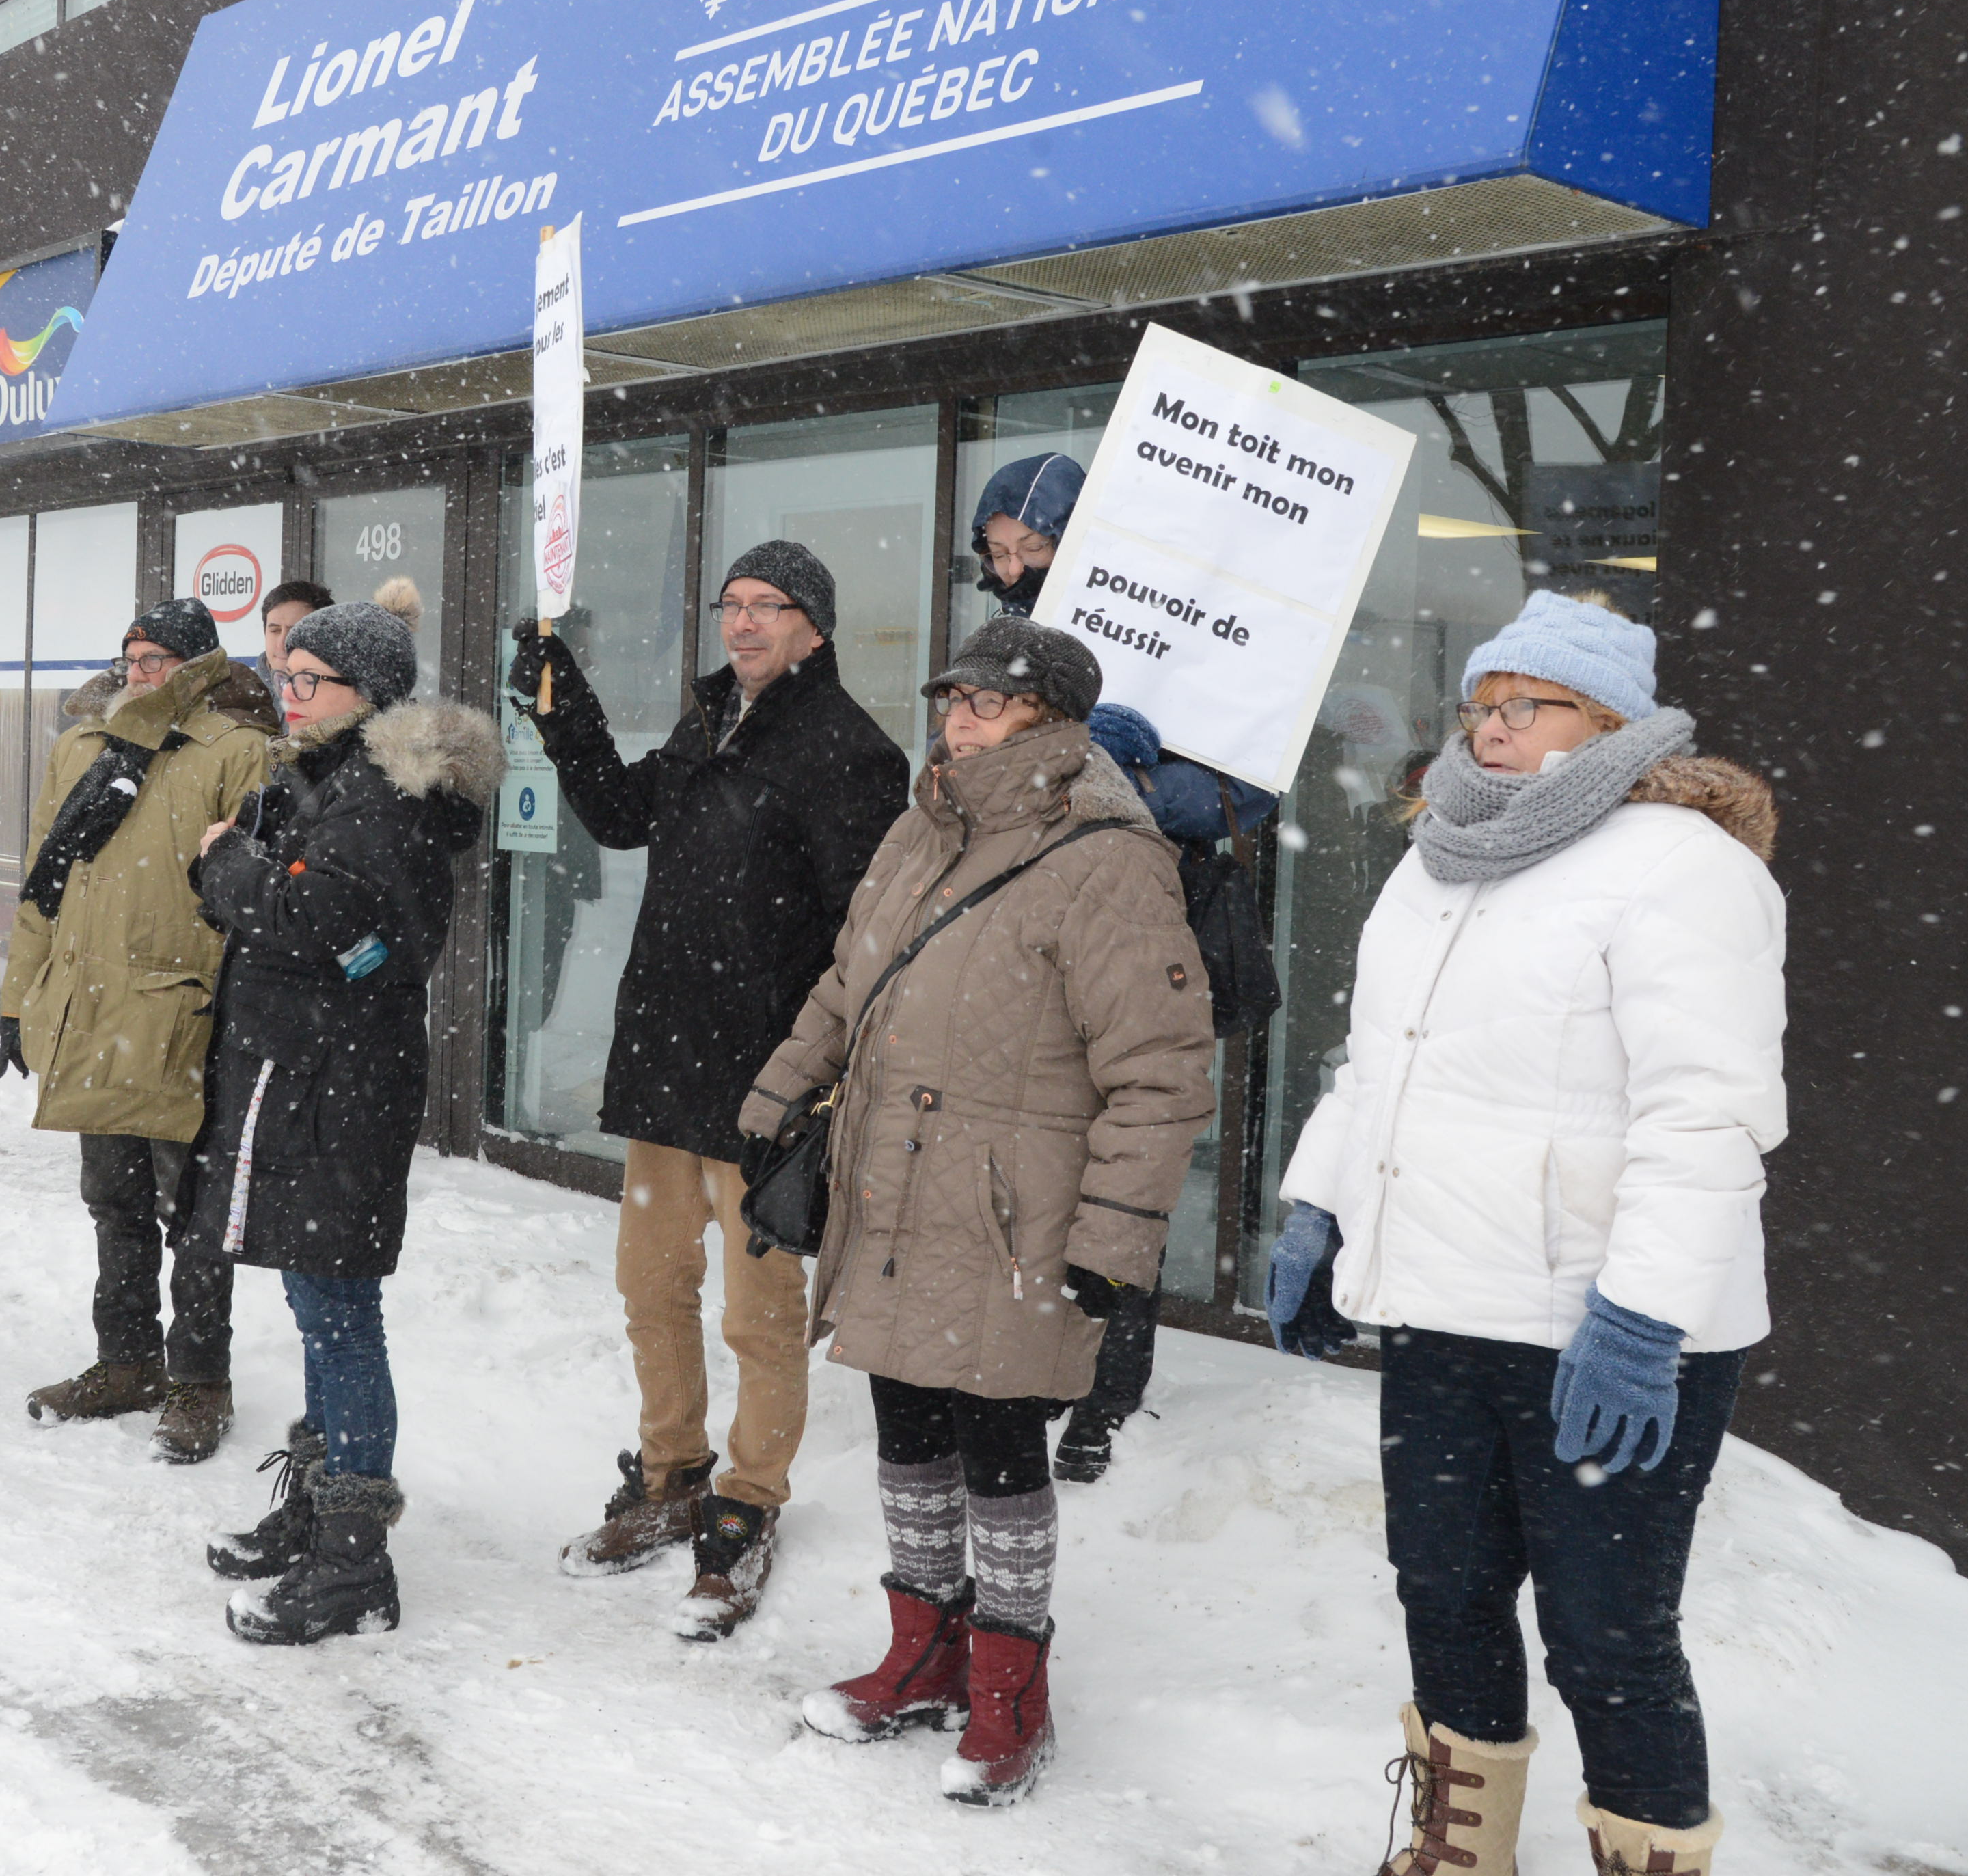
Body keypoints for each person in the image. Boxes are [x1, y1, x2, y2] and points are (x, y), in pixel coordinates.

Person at [1264, 591, 1784, 1876]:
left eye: (1523, 704)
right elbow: (1378, 1063)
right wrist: (1318, 1203)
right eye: (1478, 704)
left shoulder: (1683, 864)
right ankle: (1459, 1851)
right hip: (1444, 1306)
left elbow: (1709, 1112)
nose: (1489, 726)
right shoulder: (1439, 854)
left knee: (1608, 1633)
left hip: (1598, 1325)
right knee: (1441, 1592)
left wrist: (1641, 1316)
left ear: (1605, 721)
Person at [743, 616, 1214, 1808]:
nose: (960, 720)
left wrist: (1114, 1238)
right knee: (905, 1424)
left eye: (990, 704)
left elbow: (1159, 1069)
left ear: (1052, 719)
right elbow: (853, 977)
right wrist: (779, 1088)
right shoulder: (925, 823)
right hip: (894, 1180)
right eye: (953, 698)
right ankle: (924, 1653)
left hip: (1017, 1211)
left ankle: (1012, 1687)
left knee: (999, 1447)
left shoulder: (1109, 853)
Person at [506, 540, 906, 1640]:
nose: (743, 624)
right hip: (666, 1059)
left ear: (814, 627)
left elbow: (860, 941)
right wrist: (565, 712)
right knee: (651, 1284)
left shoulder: (850, 752)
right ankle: (671, 1473)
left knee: (758, 1314)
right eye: (731, 605)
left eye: (767, 607)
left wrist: (815, 1076)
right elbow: (624, 814)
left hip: (764, 1082)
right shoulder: (709, 719)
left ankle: (746, 1500)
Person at [185, 584, 499, 1646]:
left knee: (340, 1316)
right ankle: (320, 1513)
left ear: (365, 696)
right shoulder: (334, 783)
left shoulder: (381, 801)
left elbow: (321, 925)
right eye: (287, 672)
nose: (290, 690)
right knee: (319, 1306)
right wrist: (252, 869)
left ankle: (354, 1561)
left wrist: (232, 866)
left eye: (309, 679)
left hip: (339, 1091)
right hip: (311, 1078)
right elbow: (304, 917)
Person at [1, 599, 275, 1445]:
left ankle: (200, 1379)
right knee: (110, 1200)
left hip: (184, 1018)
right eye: (130, 656)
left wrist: (244, 1020)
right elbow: (46, 882)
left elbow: (254, 899)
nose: (137, 672)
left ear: (197, 666)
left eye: (156, 658)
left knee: (192, 1213)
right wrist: (19, 999)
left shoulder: (236, 751)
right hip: (93, 1012)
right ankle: (127, 1361)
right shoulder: (83, 748)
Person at [1052, 701, 1281, 1483]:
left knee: (1121, 1206)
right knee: (1090, 1205)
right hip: (1070, 1033)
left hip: (1126, 1033)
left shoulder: (1150, 817)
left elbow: (1249, 789)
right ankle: (1078, 1384)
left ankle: (1102, 1393)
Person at [967, 452, 1084, 616]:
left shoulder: (1122, 628)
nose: (1014, 569)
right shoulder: (1001, 636)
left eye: (1033, 548)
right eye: (998, 555)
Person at [259, 578, 334, 668]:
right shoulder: (244, 681)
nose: (282, 644)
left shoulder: (350, 681)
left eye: (294, 632)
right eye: (275, 631)